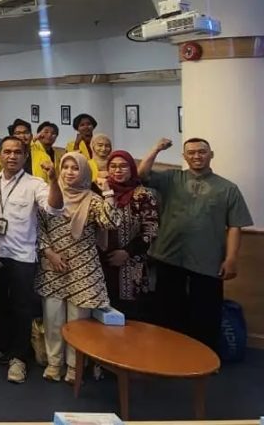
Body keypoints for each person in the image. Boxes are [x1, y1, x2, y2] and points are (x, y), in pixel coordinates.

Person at [138, 138, 253, 352]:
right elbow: (141, 175)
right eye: (191, 153)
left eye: (201, 152)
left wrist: (231, 259)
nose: (196, 156)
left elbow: (235, 226)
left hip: (207, 260)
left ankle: (205, 358)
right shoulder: (172, 178)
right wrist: (156, 149)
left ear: (211, 154)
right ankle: (167, 355)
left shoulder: (228, 188)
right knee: (167, 310)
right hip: (169, 255)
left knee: (206, 314)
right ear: (184, 157)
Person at [0, 137, 63, 384]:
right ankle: (0, 347)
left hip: (22, 256)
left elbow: (54, 208)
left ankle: (19, 358)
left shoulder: (35, 184)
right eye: (7, 152)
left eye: (18, 152)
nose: (12, 156)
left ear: (25, 156)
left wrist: (54, 179)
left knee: (22, 308)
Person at [36, 152, 119, 383]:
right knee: (53, 320)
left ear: (84, 172)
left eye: (75, 168)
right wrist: (49, 253)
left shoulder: (92, 199)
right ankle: (54, 364)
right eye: (65, 167)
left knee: (78, 323)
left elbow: (111, 222)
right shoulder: (49, 194)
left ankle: (75, 368)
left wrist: (107, 191)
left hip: (83, 269)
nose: (69, 172)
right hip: (53, 267)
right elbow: (39, 228)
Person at [100, 150, 159, 319]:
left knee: (129, 317)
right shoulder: (100, 191)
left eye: (123, 166)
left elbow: (150, 230)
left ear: (132, 168)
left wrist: (127, 252)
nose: (118, 170)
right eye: (113, 166)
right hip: (100, 264)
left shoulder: (143, 195)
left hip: (131, 265)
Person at [0, 119, 54, 183]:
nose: (22, 136)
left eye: (26, 133)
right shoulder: (3, 155)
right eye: (18, 133)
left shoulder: (43, 156)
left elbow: (50, 181)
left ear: (31, 136)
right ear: (12, 137)